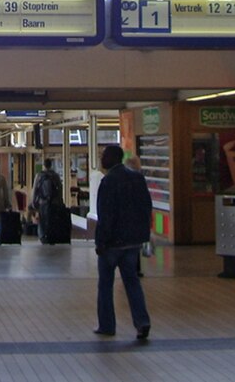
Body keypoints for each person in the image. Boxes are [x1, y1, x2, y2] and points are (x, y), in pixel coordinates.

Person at [94, 144, 152, 340]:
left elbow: (105, 215)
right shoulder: (137, 178)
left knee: (105, 285)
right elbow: (146, 207)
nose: (101, 159)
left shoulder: (108, 182)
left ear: (111, 159)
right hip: (132, 242)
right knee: (132, 282)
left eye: (103, 155)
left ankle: (107, 325)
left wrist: (101, 242)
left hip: (112, 243)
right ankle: (142, 322)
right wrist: (143, 235)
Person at [31, 158, 64, 244]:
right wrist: (60, 201)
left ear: (44, 165)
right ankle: (51, 236)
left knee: (42, 220)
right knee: (52, 219)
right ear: (51, 165)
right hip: (54, 202)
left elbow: (35, 189)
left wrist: (34, 202)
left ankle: (43, 236)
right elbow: (60, 189)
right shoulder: (55, 176)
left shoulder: (39, 175)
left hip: (43, 202)